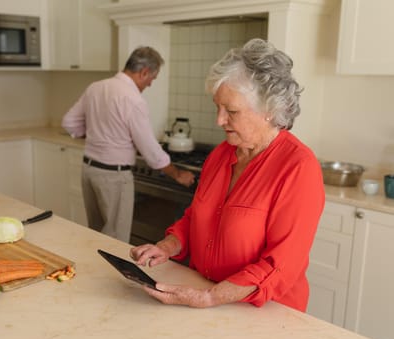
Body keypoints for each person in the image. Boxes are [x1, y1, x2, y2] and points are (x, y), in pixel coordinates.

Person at [130, 38, 325, 312]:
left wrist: (211, 297)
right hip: (207, 295)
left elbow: (280, 265)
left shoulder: (298, 168)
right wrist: (167, 246)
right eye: (217, 107)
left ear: (268, 110)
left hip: (266, 312)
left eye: (231, 111)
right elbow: (195, 217)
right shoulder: (221, 154)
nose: (219, 120)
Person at [61, 46, 195, 243]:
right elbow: (150, 150)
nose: (150, 85)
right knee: (115, 239)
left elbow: (69, 123)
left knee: (96, 234)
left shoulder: (96, 87)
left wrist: (96, 135)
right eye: (152, 79)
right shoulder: (132, 99)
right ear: (144, 72)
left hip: (89, 171)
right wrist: (177, 174)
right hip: (113, 177)